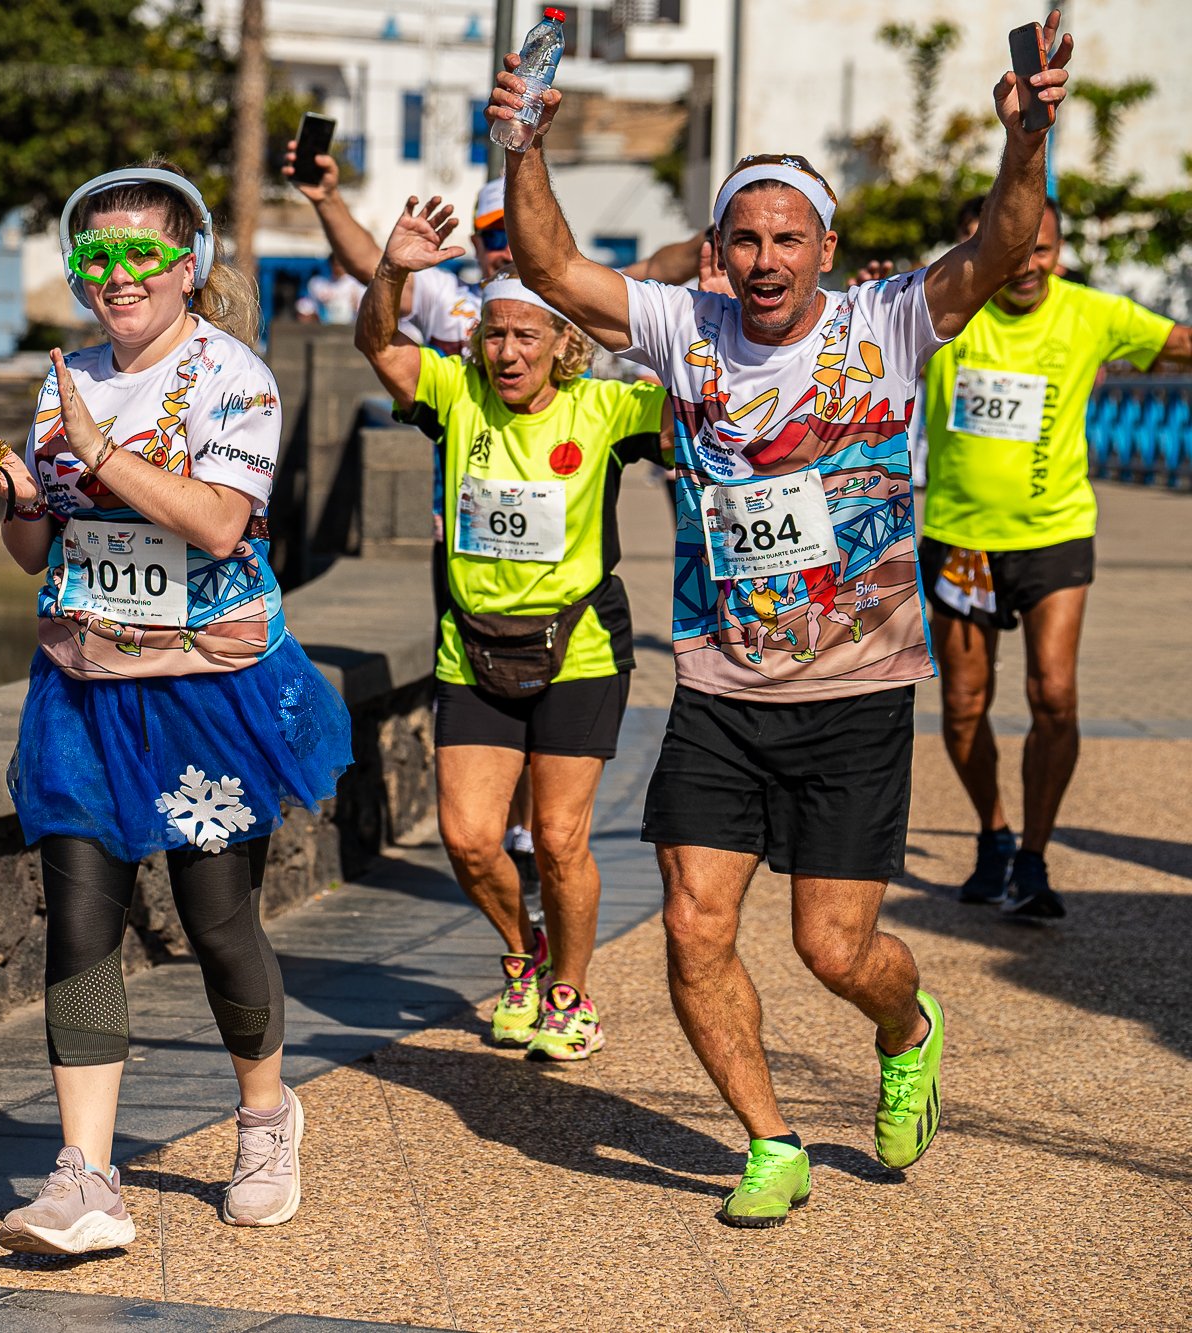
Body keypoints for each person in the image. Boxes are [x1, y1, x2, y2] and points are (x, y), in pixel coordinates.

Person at [489, 9, 1073, 1227]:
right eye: (742, 239)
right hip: (717, 693)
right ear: (718, 247)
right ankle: (769, 1141)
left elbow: (998, 247)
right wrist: (521, 147)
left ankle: (906, 1029)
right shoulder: (681, 331)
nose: (762, 260)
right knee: (694, 928)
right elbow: (550, 271)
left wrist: (1023, 150)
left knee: (833, 950)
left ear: (824, 247)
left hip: (853, 694)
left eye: (785, 240)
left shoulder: (888, 324)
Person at [0, 160, 352, 1256]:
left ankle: (266, 1116)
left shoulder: (235, 380)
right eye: (96, 256)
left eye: (141, 254)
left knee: (216, 921)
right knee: (79, 922)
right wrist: (18, 499)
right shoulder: (63, 375)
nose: (116, 275)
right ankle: (84, 1174)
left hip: (206, 692)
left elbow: (220, 524)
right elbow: (40, 547)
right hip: (84, 688)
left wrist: (96, 451)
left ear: (188, 266)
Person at [284, 146, 705, 875]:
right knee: (487, 720)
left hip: (570, 559)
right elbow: (371, 299)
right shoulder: (450, 301)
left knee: (554, 806)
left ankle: (535, 849)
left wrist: (722, 246)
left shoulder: (572, 291)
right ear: (476, 243)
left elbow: (662, 277)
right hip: (466, 546)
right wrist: (330, 204)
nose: (507, 245)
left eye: (517, 230)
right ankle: (507, 841)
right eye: (493, 233)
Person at [356, 195, 667, 1058]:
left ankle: (570, 990)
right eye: (495, 334)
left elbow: (700, 414)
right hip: (473, 644)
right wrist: (395, 270)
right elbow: (379, 345)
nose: (508, 351)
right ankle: (523, 955)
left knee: (562, 838)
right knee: (467, 837)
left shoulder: (604, 410)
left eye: (529, 335)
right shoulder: (456, 395)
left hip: (580, 647)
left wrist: (703, 324)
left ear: (566, 344)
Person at [920, 194, 1192, 916]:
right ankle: (994, 835)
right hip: (960, 537)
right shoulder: (947, 304)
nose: (1028, 265)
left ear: (1060, 252)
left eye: (1042, 250)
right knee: (962, 704)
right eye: (1015, 249)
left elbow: (1181, 344)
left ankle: (1035, 859)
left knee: (1056, 695)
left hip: (1055, 530)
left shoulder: (1093, 313)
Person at [296, 254, 365, 325]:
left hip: (349, 328)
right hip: (325, 329)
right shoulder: (318, 283)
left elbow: (363, 310)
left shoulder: (356, 284)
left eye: (342, 264)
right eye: (337, 264)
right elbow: (307, 308)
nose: (339, 267)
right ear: (331, 264)